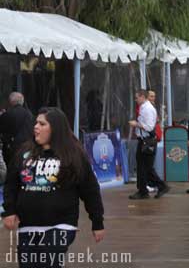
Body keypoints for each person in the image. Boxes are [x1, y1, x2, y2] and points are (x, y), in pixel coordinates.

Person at [2, 107, 105, 267]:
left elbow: (90, 190)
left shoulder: (73, 155)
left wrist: (97, 222)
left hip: (61, 224)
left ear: (55, 128)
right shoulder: (24, 152)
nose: (36, 127)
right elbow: (11, 184)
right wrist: (9, 211)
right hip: (28, 226)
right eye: (36, 123)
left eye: (42, 124)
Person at [128, 90, 169, 199]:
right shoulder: (143, 108)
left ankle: (161, 185)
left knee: (147, 167)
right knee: (142, 167)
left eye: (137, 97)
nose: (135, 100)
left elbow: (150, 127)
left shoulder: (148, 109)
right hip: (143, 140)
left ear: (142, 97)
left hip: (148, 141)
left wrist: (136, 124)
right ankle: (143, 191)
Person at [0, 92, 34, 166]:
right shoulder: (29, 114)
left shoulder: (8, 114)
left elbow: (3, 130)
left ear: (10, 101)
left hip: (12, 148)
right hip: (28, 147)